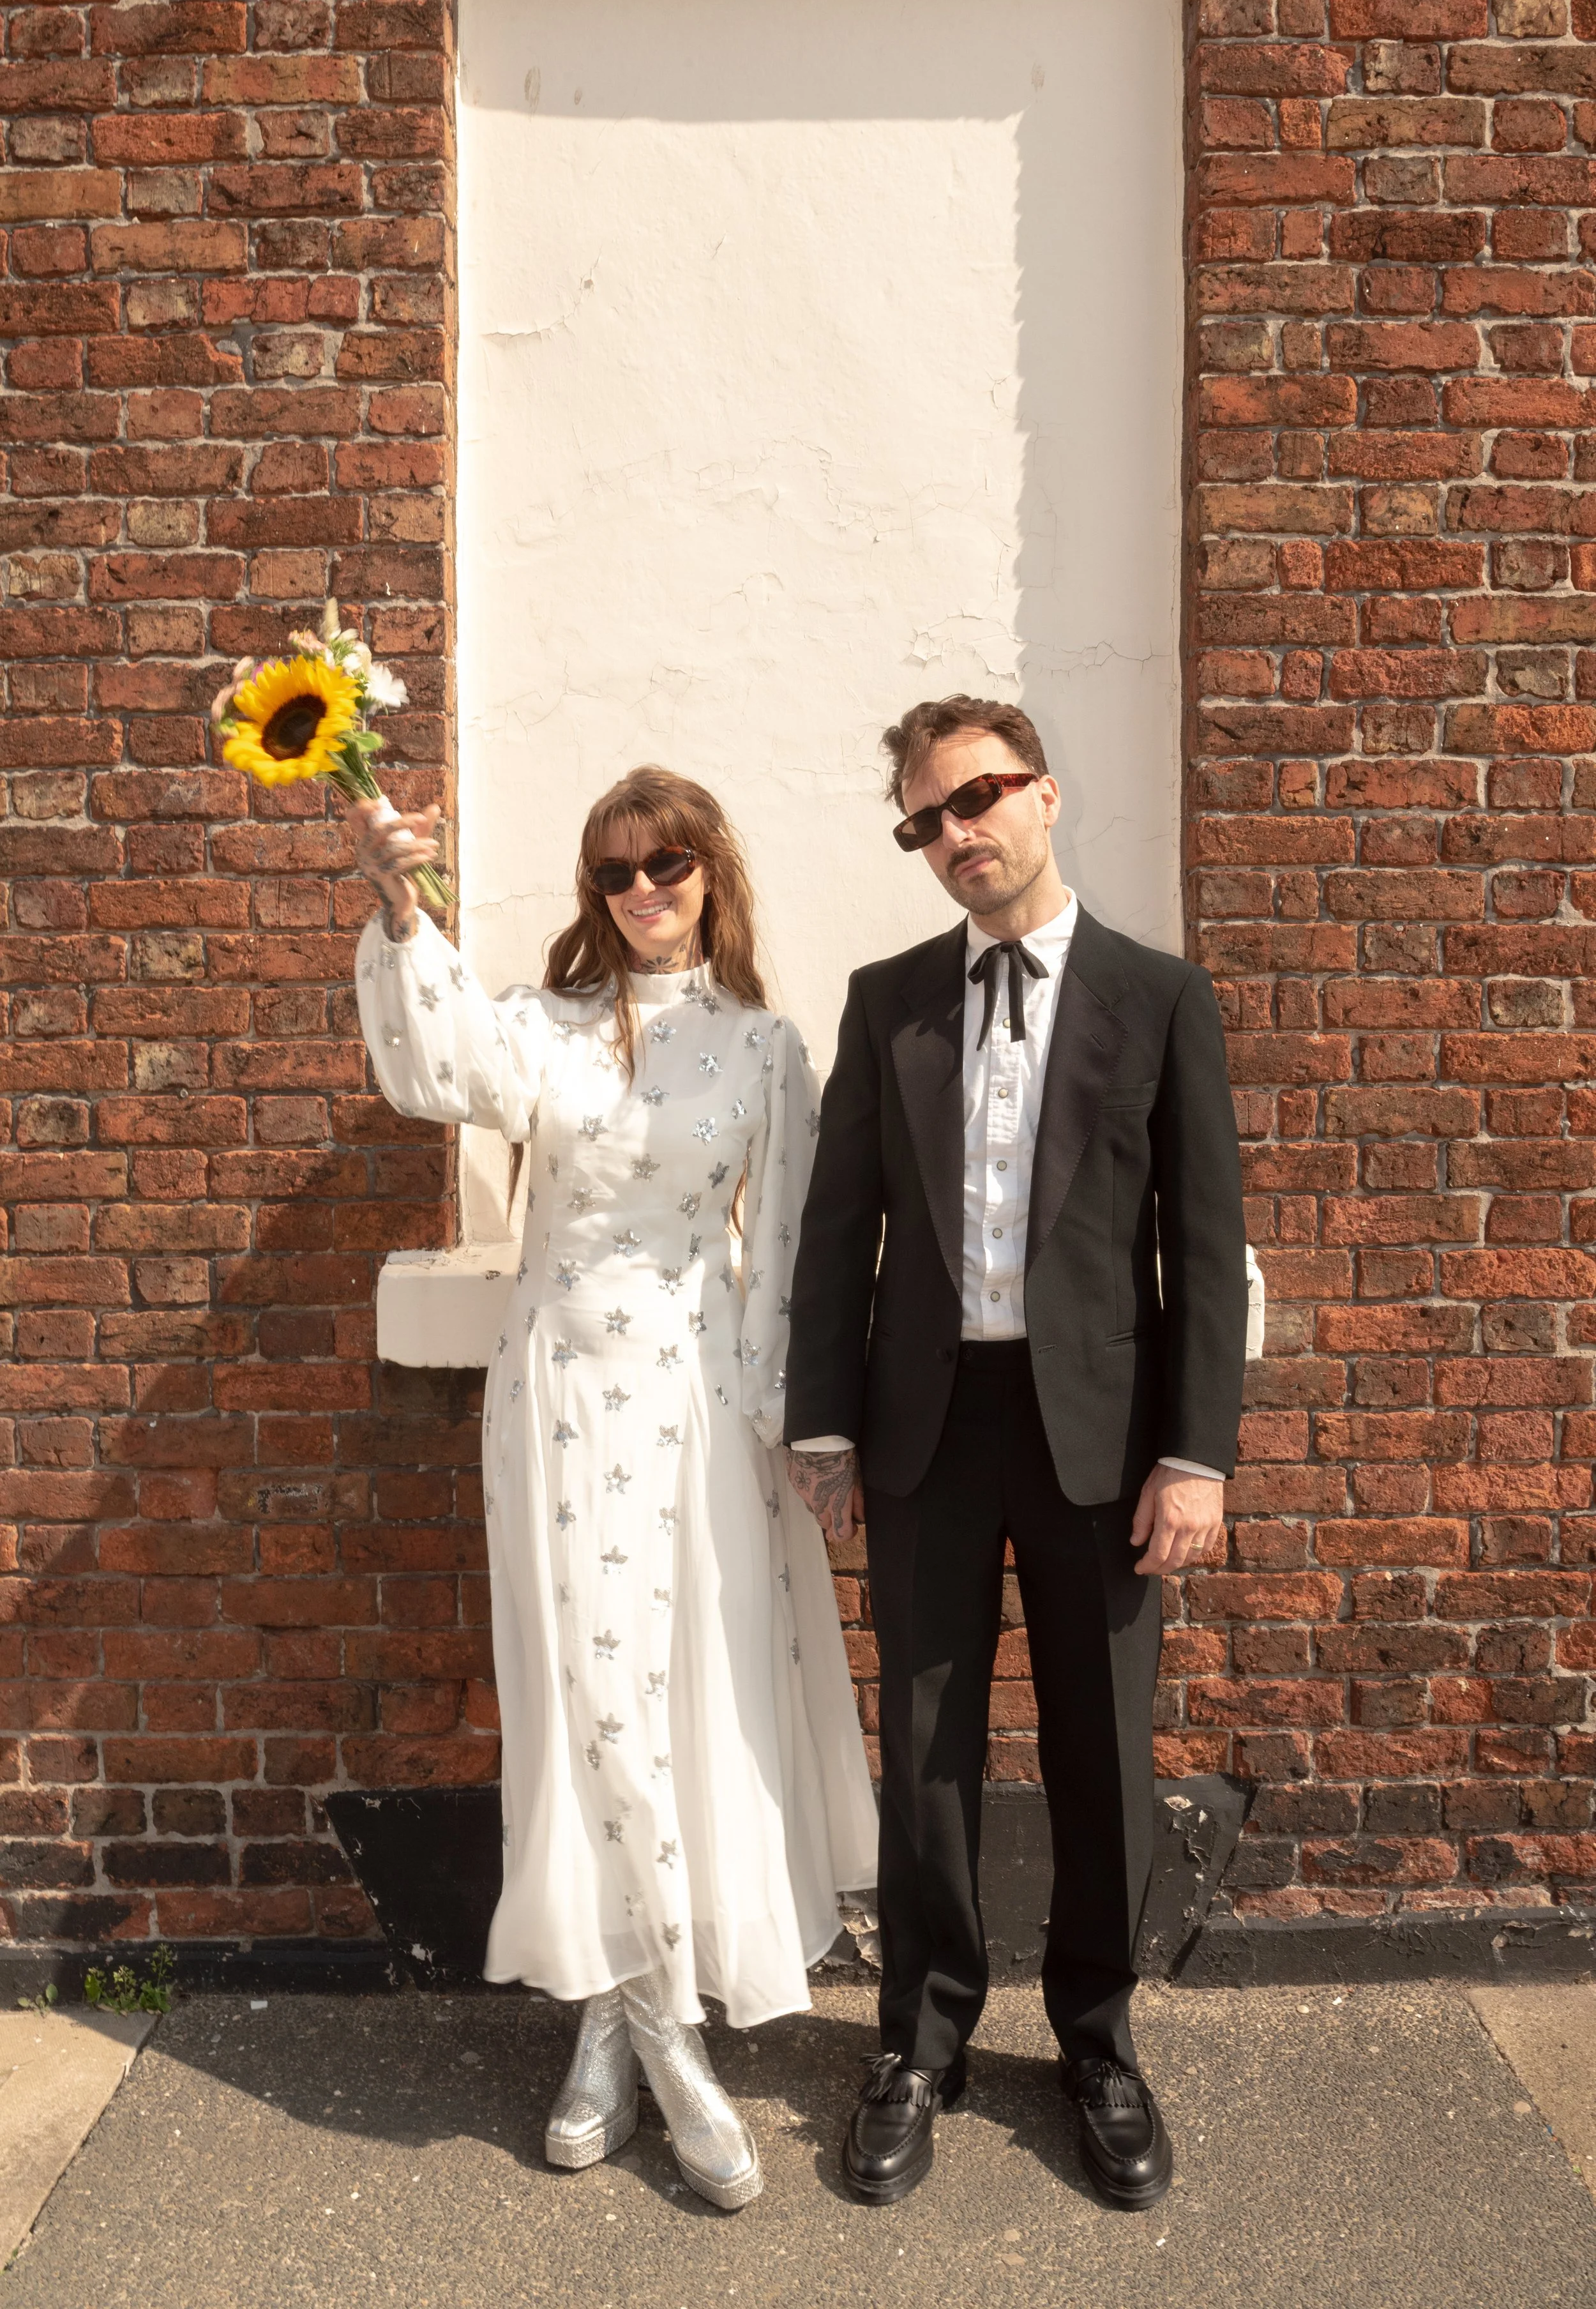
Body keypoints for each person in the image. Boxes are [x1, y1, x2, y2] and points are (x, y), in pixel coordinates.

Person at [349, 768, 877, 2212]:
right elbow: (433, 1067)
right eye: (617, 872)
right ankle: (652, 2036)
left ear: (713, 872)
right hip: (560, 1405)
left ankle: (620, 2011)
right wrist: (400, 905)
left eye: (669, 864)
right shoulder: (547, 1027)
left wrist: (798, 1433)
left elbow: (780, 1255)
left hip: (702, 1413)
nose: (644, 890)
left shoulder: (764, 1048)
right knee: (587, 1700)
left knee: (680, 1701)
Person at [783, 697, 1247, 2213]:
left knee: (1099, 1750)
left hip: (1101, 1444)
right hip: (926, 1423)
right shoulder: (887, 1000)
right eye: (921, 820)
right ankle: (919, 2043)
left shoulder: (1157, 997)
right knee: (921, 1753)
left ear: (1043, 792)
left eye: (973, 800)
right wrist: (823, 1415)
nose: (951, 837)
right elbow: (836, 1223)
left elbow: (1201, 1242)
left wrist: (1196, 1455)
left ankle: (1098, 2046)